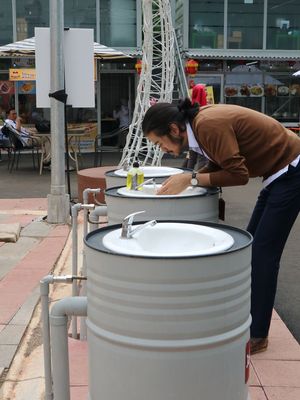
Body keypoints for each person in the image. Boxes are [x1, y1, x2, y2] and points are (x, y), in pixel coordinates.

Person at [142, 98, 300, 354]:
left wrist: (191, 179)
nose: (165, 150)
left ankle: (257, 334)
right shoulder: (199, 125)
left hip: (291, 170)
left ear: (173, 129)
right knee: (250, 246)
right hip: (277, 172)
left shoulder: (208, 125)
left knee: (263, 255)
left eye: (161, 143)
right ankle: (249, 319)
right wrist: (190, 179)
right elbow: (221, 162)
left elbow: (237, 175)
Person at [183, 84, 208, 169]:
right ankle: (200, 179)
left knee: (191, 157)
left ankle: (185, 174)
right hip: (201, 136)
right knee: (203, 158)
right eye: (204, 91)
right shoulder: (203, 108)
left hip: (192, 137)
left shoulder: (190, 106)